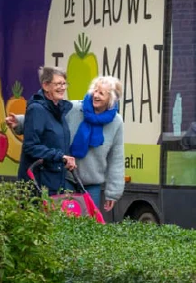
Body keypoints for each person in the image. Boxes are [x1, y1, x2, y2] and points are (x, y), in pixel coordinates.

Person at [10, 75, 126, 212]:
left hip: (92, 184)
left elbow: (116, 158)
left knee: (89, 222)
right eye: (95, 91)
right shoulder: (74, 108)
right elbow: (47, 120)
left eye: (101, 93)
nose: (95, 95)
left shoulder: (116, 122)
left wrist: (113, 193)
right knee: (64, 219)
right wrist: (20, 122)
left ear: (111, 99)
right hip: (66, 177)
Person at [17, 66, 76, 194]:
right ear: (45, 85)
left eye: (64, 83)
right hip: (38, 182)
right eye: (58, 84)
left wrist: (65, 158)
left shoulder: (59, 110)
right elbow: (30, 146)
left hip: (54, 179)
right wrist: (60, 156)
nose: (62, 87)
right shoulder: (36, 109)